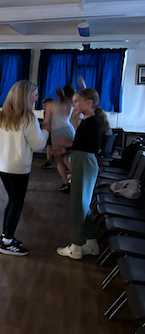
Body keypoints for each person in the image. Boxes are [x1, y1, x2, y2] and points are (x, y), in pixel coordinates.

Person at [0, 80, 48, 256]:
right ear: (26, 96)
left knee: (13, 201)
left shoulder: (3, 115)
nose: (37, 98)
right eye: (35, 94)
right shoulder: (28, 118)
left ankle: (6, 237)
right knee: (16, 203)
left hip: (2, 164)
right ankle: (7, 242)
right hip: (17, 167)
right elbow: (37, 145)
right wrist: (46, 129)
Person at [55, 89, 103, 260]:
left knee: (78, 205)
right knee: (83, 204)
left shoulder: (92, 122)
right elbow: (82, 144)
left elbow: (86, 146)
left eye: (76, 101)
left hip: (84, 162)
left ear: (89, 103)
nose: (73, 105)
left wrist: (67, 144)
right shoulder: (89, 121)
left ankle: (75, 247)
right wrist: (67, 147)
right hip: (83, 161)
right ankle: (90, 243)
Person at [44, 86, 75, 192]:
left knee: (59, 160)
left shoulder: (51, 105)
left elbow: (46, 122)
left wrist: (43, 133)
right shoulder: (70, 104)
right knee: (68, 158)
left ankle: (66, 183)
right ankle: (79, 178)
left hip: (57, 132)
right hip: (69, 130)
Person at [40, 98, 54, 169]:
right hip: (49, 130)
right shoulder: (45, 112)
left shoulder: (54, 112)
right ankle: (49, 161)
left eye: (45, 105)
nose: (43, 107)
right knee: (49, 145)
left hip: (54, 130)